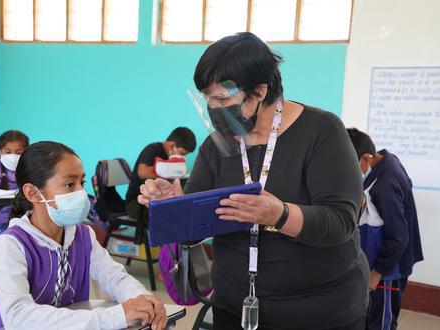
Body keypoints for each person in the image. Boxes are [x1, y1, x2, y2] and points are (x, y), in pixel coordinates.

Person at [138, 32, 369, 329]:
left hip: (317, 311)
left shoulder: (322, 132)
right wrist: (174, 207)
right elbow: (191, 233)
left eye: (222, 98)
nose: (213, 107)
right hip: (234, 306)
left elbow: (340, 223)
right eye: (207, 98)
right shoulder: (216, 146)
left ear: (260, 91)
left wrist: (280, 214)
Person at [0, 141, 167, 330]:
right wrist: (116, 316)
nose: (81, 192)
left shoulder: (83, 235)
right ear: (32, 193)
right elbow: (19, 317)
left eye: (81, 182)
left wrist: (143, 300)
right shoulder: (9, 245)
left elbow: (115, 278)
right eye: (69, 184)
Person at [347, 128, 423, 330]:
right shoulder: (386, 162)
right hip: (378, 264)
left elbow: (398, 237)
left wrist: (377, 273)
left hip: (386, 271)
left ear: (365, 159)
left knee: (381, 322)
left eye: (348, 164)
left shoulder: (384, 185)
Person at [125, 127, 196, 221]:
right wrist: (171, 170)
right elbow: (142, 172)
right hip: (136, 203)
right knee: (173, 213)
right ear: (172, 146)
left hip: (157, 200)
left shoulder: (169, 158)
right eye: (182, 153)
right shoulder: (153, 149)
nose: (183, 157)